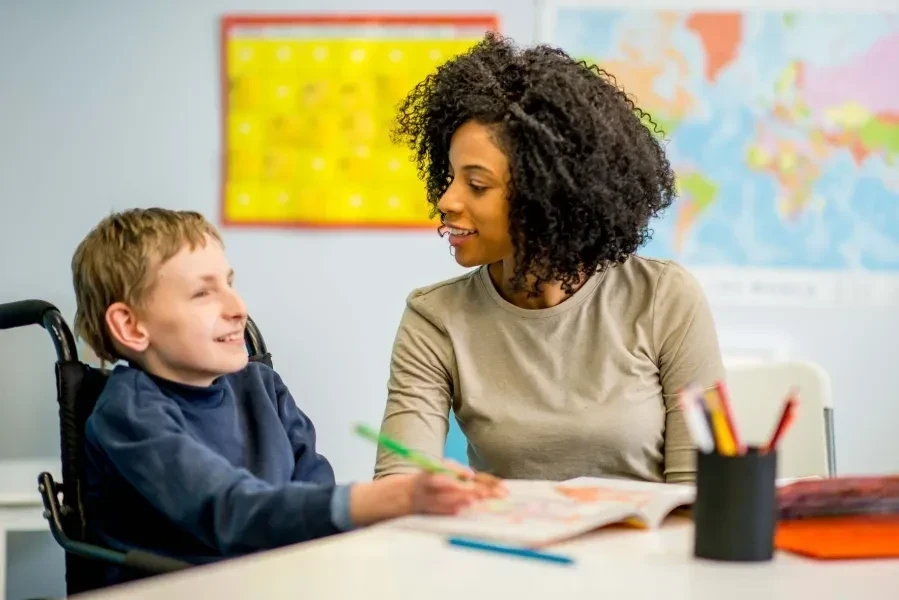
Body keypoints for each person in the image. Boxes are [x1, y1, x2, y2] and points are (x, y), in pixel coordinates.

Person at [73, 208, 497, 586]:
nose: (237, 307)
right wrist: (395, 496)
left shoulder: (261, 387)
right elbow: (230, 510)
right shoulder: (128, 412)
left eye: (230, 283)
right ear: (130, 327)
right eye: (203, 292)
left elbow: (315, 489)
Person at [374, 33, 725, 485]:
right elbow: (398, 485)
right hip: (509, 550)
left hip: (644, 553)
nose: (446, 200)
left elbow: (700, 491)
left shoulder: (663, 298)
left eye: (477, 185)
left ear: (546, 196)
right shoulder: (434, 319)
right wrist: (428, 492)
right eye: (451, 176)